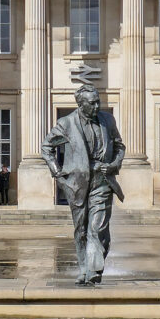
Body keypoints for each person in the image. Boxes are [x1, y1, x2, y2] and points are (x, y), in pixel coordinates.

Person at [41, 83, 125, 286]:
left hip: (102, 181)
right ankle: (84, 268)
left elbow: (119, 146)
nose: (97, 106)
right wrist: (58, 173)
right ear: (81, 104)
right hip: (76, 184)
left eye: (99, 102)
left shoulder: (107, 120)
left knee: (97, 227)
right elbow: (47, 147)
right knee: (81, 230)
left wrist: (113, 165)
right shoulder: (67, 123)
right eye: (93, 103)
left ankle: (94, 269)